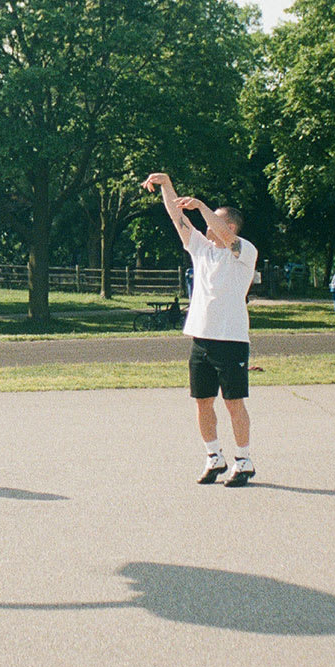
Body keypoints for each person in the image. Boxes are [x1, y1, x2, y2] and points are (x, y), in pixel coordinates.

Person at [144, 171, 257, 486]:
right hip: (201, 340)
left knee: (234, 403)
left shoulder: (243, 253)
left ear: (229, 227)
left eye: (213, 223)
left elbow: (226, 235)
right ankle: (213, 457)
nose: (206, 227)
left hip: (230, 340)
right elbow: (177, 218)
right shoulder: (202, 250)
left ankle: (244, 460)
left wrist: (203, 206)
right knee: (202, 401)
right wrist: (166, 185)